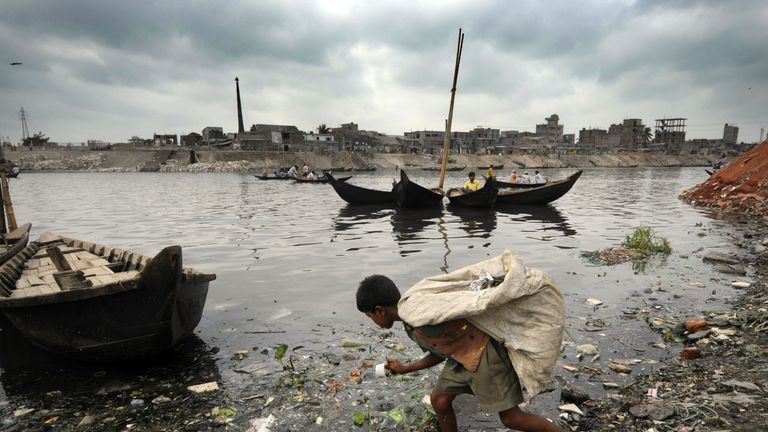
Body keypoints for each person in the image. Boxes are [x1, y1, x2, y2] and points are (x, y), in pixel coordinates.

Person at [356, 275, 564, 432]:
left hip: (485, 356)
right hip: (460, 357)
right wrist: (405, 368)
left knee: (511, 418)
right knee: (439, 400)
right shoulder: (412, 319)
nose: (371, 320)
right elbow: (440, 352)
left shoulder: (419, 315)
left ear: (379, 310)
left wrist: (406, 368)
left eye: (368, 315)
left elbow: (449, 336)